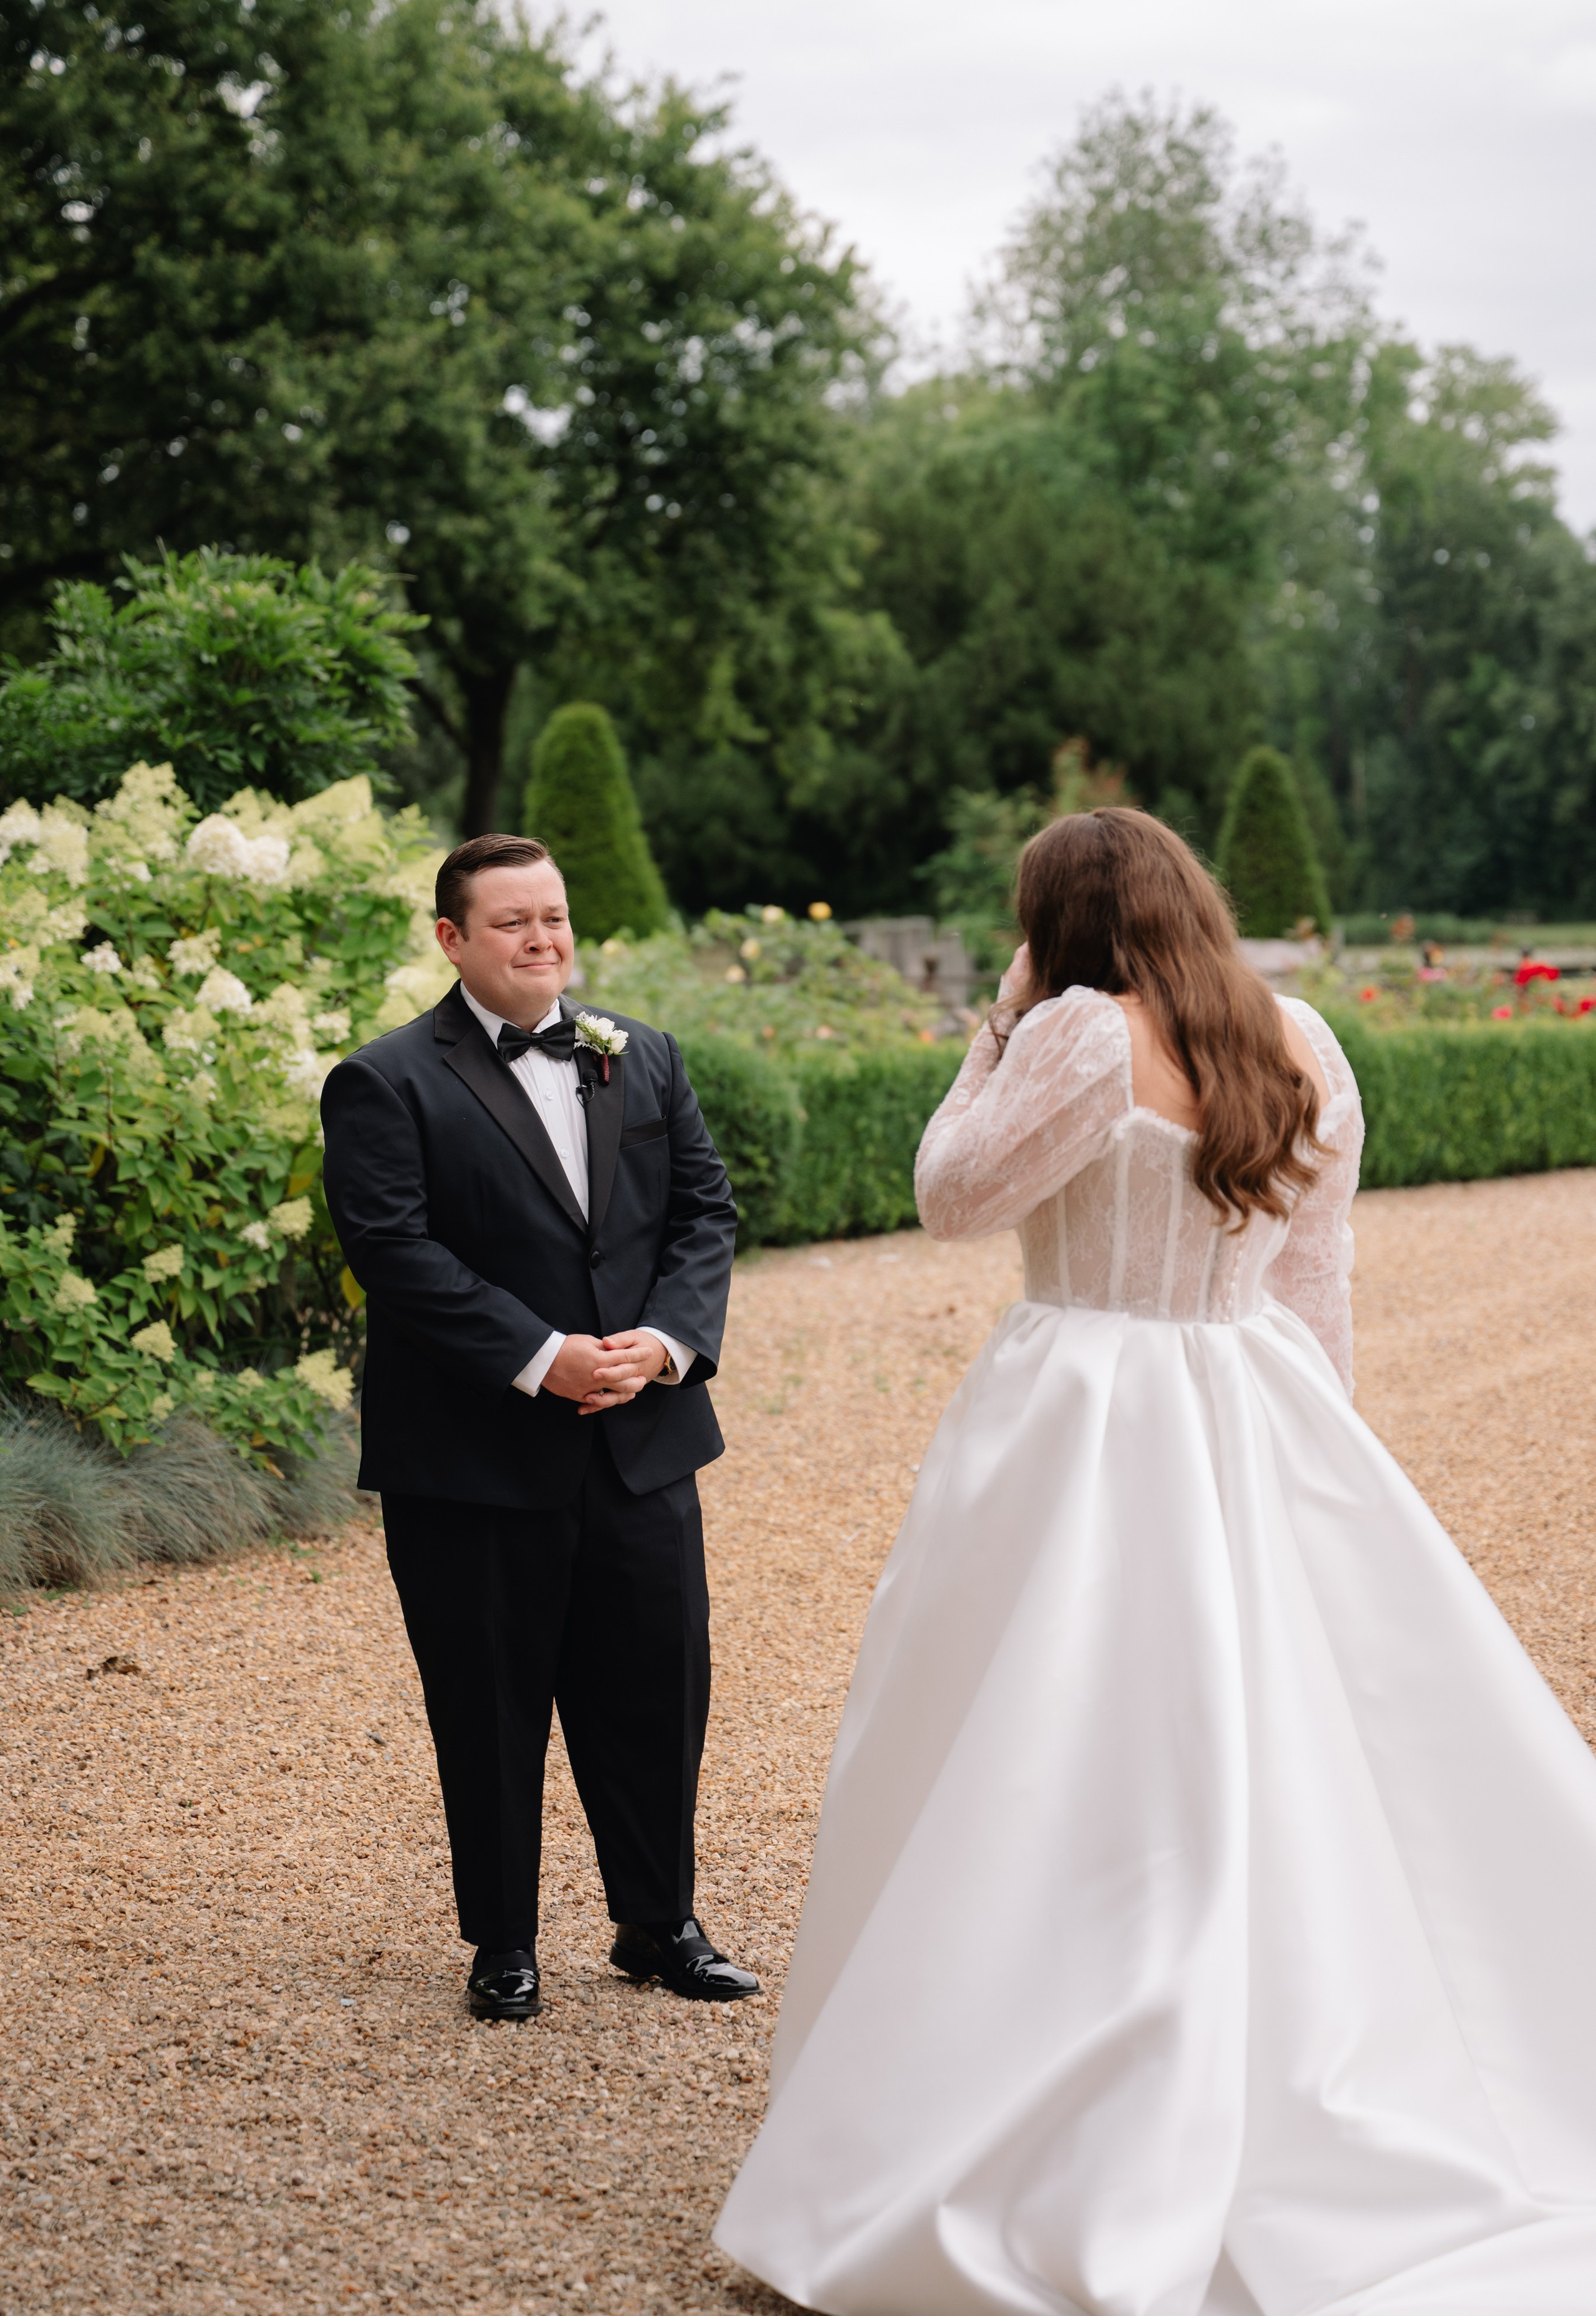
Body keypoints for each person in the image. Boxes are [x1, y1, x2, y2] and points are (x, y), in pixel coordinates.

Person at [716, 808, 1596, 2312]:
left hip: (1084, 1409)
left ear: (1054, 919)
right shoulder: (1300, 1035)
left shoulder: (1068, 1031)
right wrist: (1316, 1481)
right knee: (1258, 1751)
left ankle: (1039, 2089)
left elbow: (947, 1197)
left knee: (1037, 1747)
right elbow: (1316, 1284)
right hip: (1248, 1401)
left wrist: (987, 1028)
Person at [321, 832, 757, 2019]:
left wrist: (664, 1345)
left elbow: (705, 1214)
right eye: (512, 922)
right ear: (453, 939)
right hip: (474, 1459)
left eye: (554, 917)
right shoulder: (387, 1079)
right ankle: (503, 1941)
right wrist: (539, 1358)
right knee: (489, 1699)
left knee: (659, 1690)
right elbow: (395, 1252)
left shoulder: (642, 1057)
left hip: (642, 1443)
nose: (541, 940)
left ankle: (659, 1924)